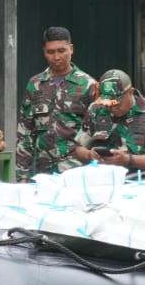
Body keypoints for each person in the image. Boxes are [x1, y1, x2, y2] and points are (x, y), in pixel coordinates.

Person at [14, 26, 97, 179]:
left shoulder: (88, 85)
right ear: (44, 52)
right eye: (50, 52)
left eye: (61, 51)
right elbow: (25, 133)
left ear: (71, 49)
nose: (57, 57)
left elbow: (97, 132)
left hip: (77, 173)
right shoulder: (35, 84)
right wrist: (22, 176)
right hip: (43, 172)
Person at [69, 68, 145, 172]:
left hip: (140, 182)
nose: (112, 108)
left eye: (117, 103)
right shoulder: (96, 109)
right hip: (104, 180)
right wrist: (89, 155)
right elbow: (77, 148)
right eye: (108, 104)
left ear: (130, 92)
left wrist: (128, 160)